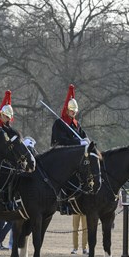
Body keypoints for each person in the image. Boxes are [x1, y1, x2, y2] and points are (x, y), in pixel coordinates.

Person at [51, 84, 89, 215]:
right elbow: (60, 141)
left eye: (75, 110)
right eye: (71, 110)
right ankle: (63, 202)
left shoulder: (76, 125)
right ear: (66, 110)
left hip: (77, 158)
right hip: (62, 156)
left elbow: (84, 137)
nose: (73, 112)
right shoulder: (60, 124)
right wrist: (77, 142)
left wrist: (87, 142)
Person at [0, 90, 17, 213]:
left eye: (9, 117)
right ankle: (1, 197)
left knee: (17, 171)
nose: (7, 119)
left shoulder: (10, 130)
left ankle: (11, 198)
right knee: (6, 171)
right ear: (1, 115)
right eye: (6, 117)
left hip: (8, 159)